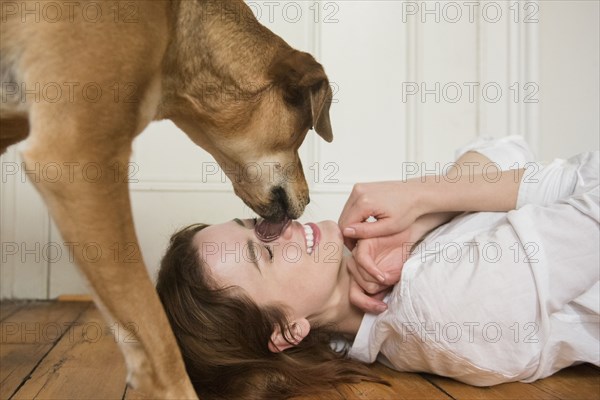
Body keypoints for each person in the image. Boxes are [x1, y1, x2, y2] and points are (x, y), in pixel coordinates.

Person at [156, 136, 599, 399]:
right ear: (287, 330)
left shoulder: (396, 264)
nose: (282, 225)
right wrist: (426, 199)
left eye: (258, 224)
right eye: (266, 253)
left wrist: (422, 212)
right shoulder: (439, 304)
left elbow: (506, 147)